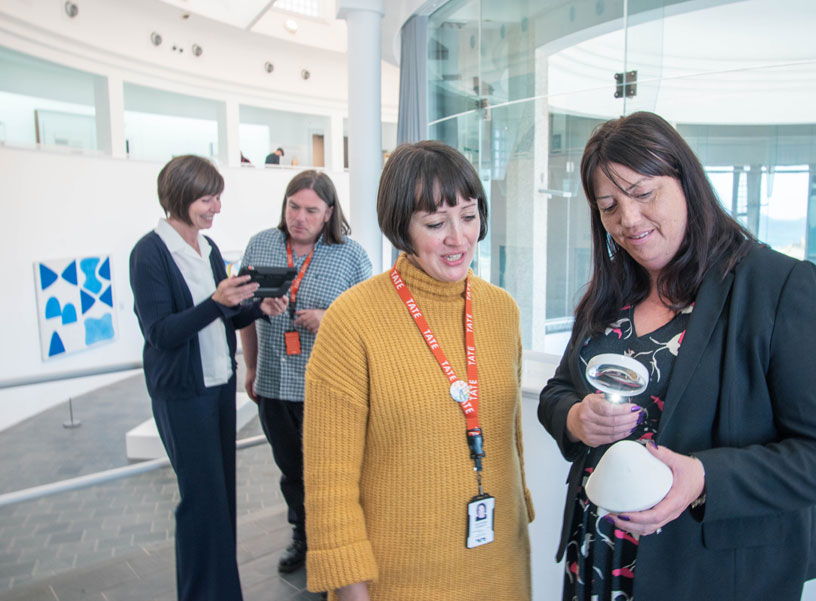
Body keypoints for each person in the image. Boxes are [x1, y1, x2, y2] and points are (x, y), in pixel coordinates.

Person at [538, 111, 816, 601]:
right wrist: (573, 418)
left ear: (687, 182)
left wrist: (704, 477)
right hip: (599, 554)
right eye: (608, 206)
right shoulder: (612, 294)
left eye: (643, 193)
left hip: (708, 571)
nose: (627, 221)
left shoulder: (775, 286)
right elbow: (558, 390)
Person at [303, 140, 534, 601]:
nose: (458, 237)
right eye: (435, 223)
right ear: (400, 229)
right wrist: (351, 590)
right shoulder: (353, 320)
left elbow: (508, 438)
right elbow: (329, 483)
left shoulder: (501, 310)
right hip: (398, 578)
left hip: (500, 566)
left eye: (469, 216)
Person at [129, 155, 287, 601]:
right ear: (178, 196)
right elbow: (160, 333)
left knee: (220, 502)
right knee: (200, 504)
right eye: (206, 198)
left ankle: (224, 592)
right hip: (182, 395)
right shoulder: (150, 253)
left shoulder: (208, 248)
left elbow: (225, 317)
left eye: (218, 197)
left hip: (218, 389)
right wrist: (219, 303)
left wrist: (257, 307)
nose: (216, 207)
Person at [239, 170, 371, 574]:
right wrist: (251, 366)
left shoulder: (351, 255)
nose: (299, 217)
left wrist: (329, 317)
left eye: (311, 210)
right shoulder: (260, 244)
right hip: (275, 384)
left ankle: (341, 541)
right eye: (293, 206)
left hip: (329, 388)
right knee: (291, 471)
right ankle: (304, 538)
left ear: (329, 212)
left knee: (332, 472)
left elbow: (370, 320)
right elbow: (242, 311)